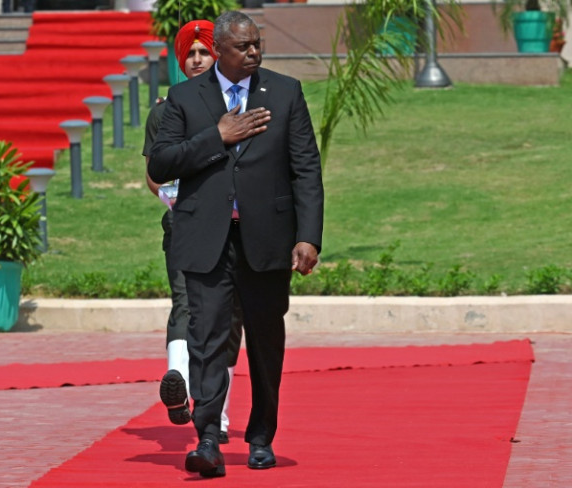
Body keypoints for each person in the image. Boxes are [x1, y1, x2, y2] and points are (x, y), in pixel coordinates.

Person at [148, 10, 324, 478]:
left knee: (266, 342)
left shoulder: (285, 93)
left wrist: (308, 237)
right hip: (206, 240)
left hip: (266, 241)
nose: (253, 52)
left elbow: (305, 168)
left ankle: (262, 436)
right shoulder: (184, 99)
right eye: (243, 46)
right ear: (220, 50)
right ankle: (207, 439)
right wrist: (217, 137)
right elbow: (162, 163)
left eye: (257, 44)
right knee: (206, 340)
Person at [142, 20, 243, 445]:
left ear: (217, 56)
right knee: (187, 302)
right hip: (184, 223)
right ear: (181, 61)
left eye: (205, 52)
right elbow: (154, 172)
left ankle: (215, 416)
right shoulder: (166, 110)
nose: (197, 59)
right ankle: (179, 383)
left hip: (237, 228)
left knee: (228, 318)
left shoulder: (238, 103)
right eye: (191, 54)